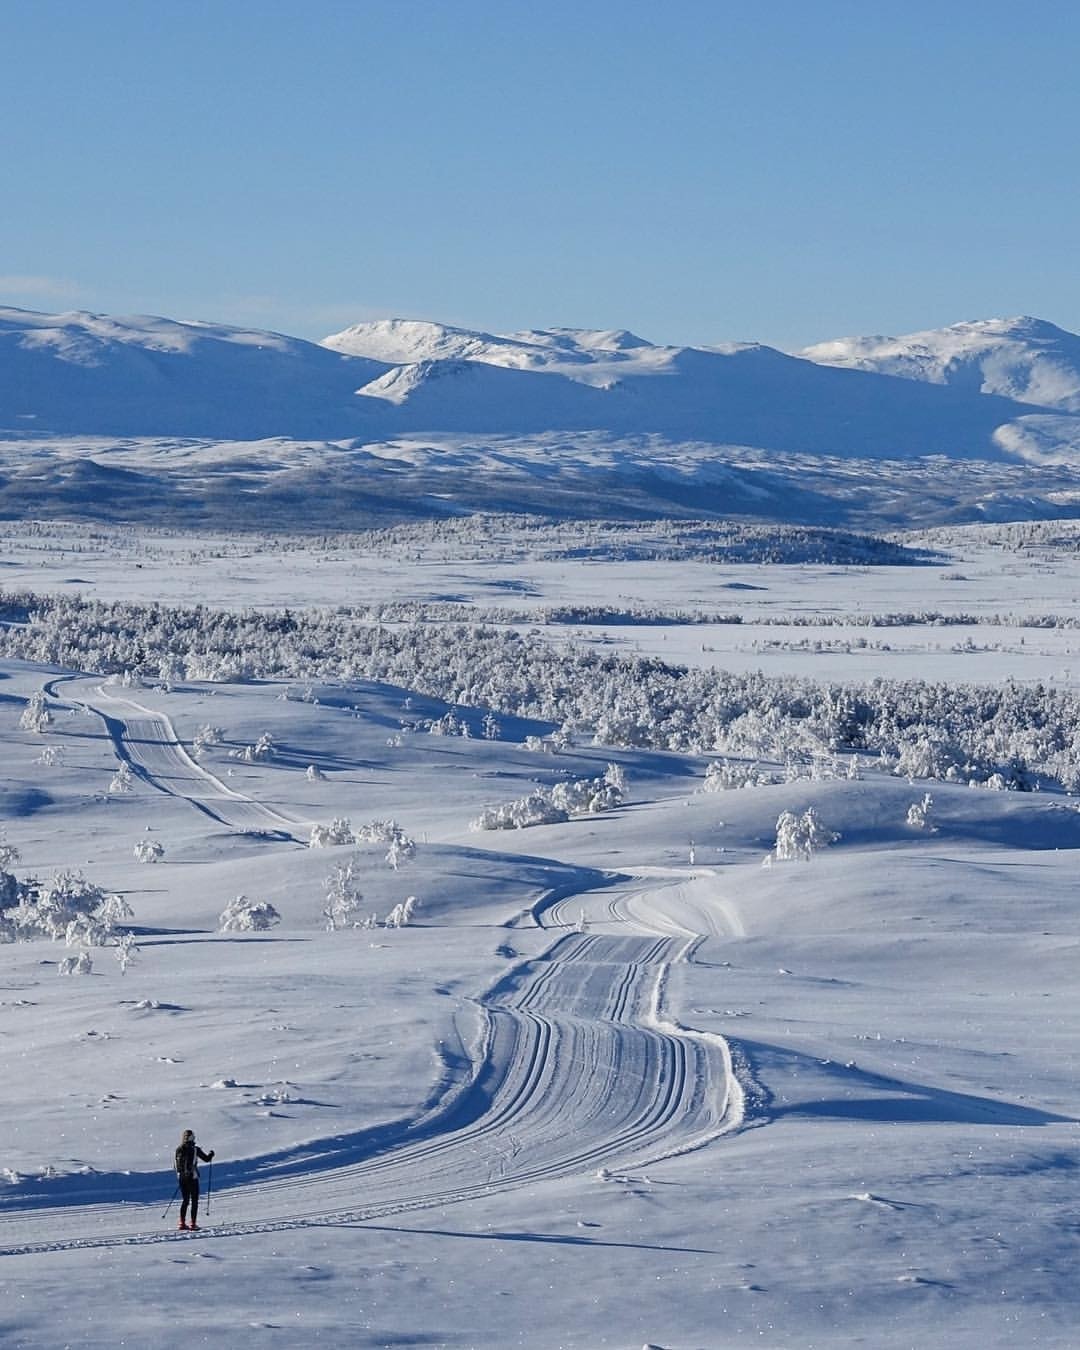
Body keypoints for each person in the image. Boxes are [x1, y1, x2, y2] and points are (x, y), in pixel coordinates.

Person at [174, 1128, 214, 1230]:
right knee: (194, 1200)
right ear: (192, 1138)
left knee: (185, 1200)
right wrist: (211, 1154)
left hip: (181, 1177)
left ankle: (182, 1223)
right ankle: (193, 1223)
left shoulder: (178, 1149)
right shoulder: (195, 1149)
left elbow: (175, 1165)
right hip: (193, 1177)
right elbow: (206, 1159)